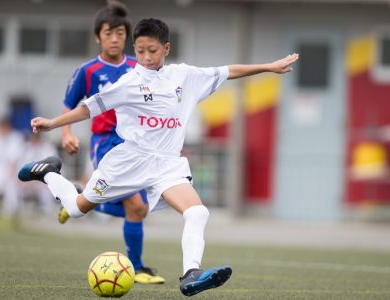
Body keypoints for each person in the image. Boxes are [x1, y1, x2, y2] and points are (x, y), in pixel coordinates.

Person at [18, 18, 299, 296]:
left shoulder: (184, 76)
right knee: (78, 208)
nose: (145, 57)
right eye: (139, 50)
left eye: (152, 50)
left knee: (198, 212)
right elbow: (87, 109)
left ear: (166, 48)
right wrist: (52, 124)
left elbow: (227, 71)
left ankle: (191, 274)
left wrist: (268, 67)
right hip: (128, 161)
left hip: (167, 164)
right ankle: (48, 172)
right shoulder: (129, 82)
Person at [59, 0, 164, 284]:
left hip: (135, 144)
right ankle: (139, 268)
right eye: (109, 33)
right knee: (135, 205)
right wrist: (67, 134)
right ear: (98, 37)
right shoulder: (88, 71)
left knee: (139, 208)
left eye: (120, 33)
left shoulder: (137, 66)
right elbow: (70, 106)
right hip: (105, 143)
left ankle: (79, 197)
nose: (115, 39)